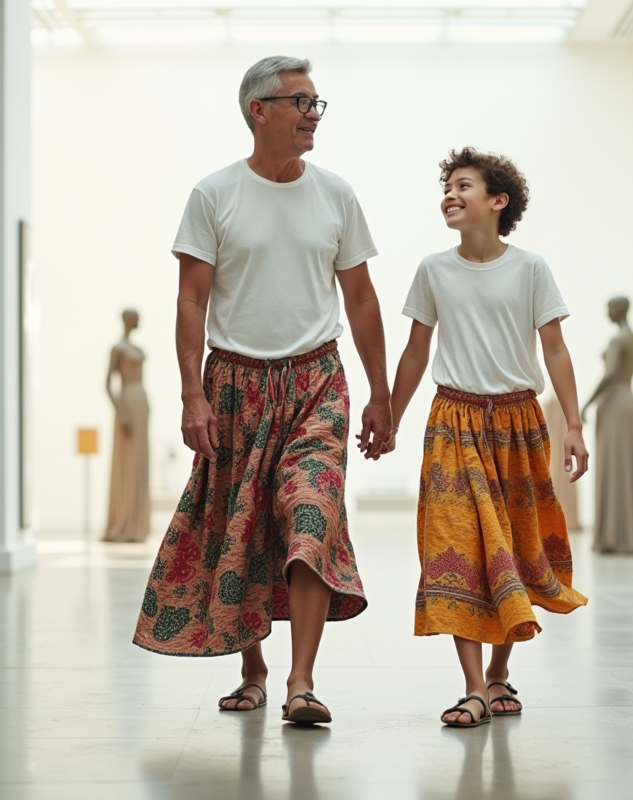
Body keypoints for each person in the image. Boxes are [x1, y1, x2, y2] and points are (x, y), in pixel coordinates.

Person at [132, 56, 392, 727]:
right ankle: (253, 669)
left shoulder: (336, 195)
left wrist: (380, 392)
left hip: (317, 382)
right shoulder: (213, 194)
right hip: (234, 386)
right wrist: (190, 395)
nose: (313, 114)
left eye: (316, 103)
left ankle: (302, 682)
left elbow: (362, 299)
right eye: (301, 101)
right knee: (240, 526)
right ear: (259, 110)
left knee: (311, 515)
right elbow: (191, 301)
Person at [385, 148, 589, 728]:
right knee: (458, 549)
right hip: (453, 422)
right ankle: (474, 687)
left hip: (519, 425)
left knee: (516, 547)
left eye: (463, 185)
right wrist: (391, 418)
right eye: (446, 187)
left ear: (498, 201)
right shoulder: (433, 270)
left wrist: (574, 425)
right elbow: (416, 352)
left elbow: (555, 350)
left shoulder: (531, 269)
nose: (450, 195)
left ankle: (499, 672)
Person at [582, 296, 633, 555]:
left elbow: (609, 374)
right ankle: (630, 534)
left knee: (613, 466)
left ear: (619, 310)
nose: (606, 313)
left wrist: (586, 404)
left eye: (609, 309)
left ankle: (614, 536)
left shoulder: (617, 341)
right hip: (629, 401)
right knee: (626, 465)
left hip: (614, 403)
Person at [103, 309, 150, 543]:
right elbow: (107, 384)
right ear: (128, 319)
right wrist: (121, 412)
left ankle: (138, 524)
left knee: (140, 459)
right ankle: (123, 522)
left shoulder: (137, 348)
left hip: (141, 402)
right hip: (128, 403)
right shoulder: (118, 348)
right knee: (128, 460)